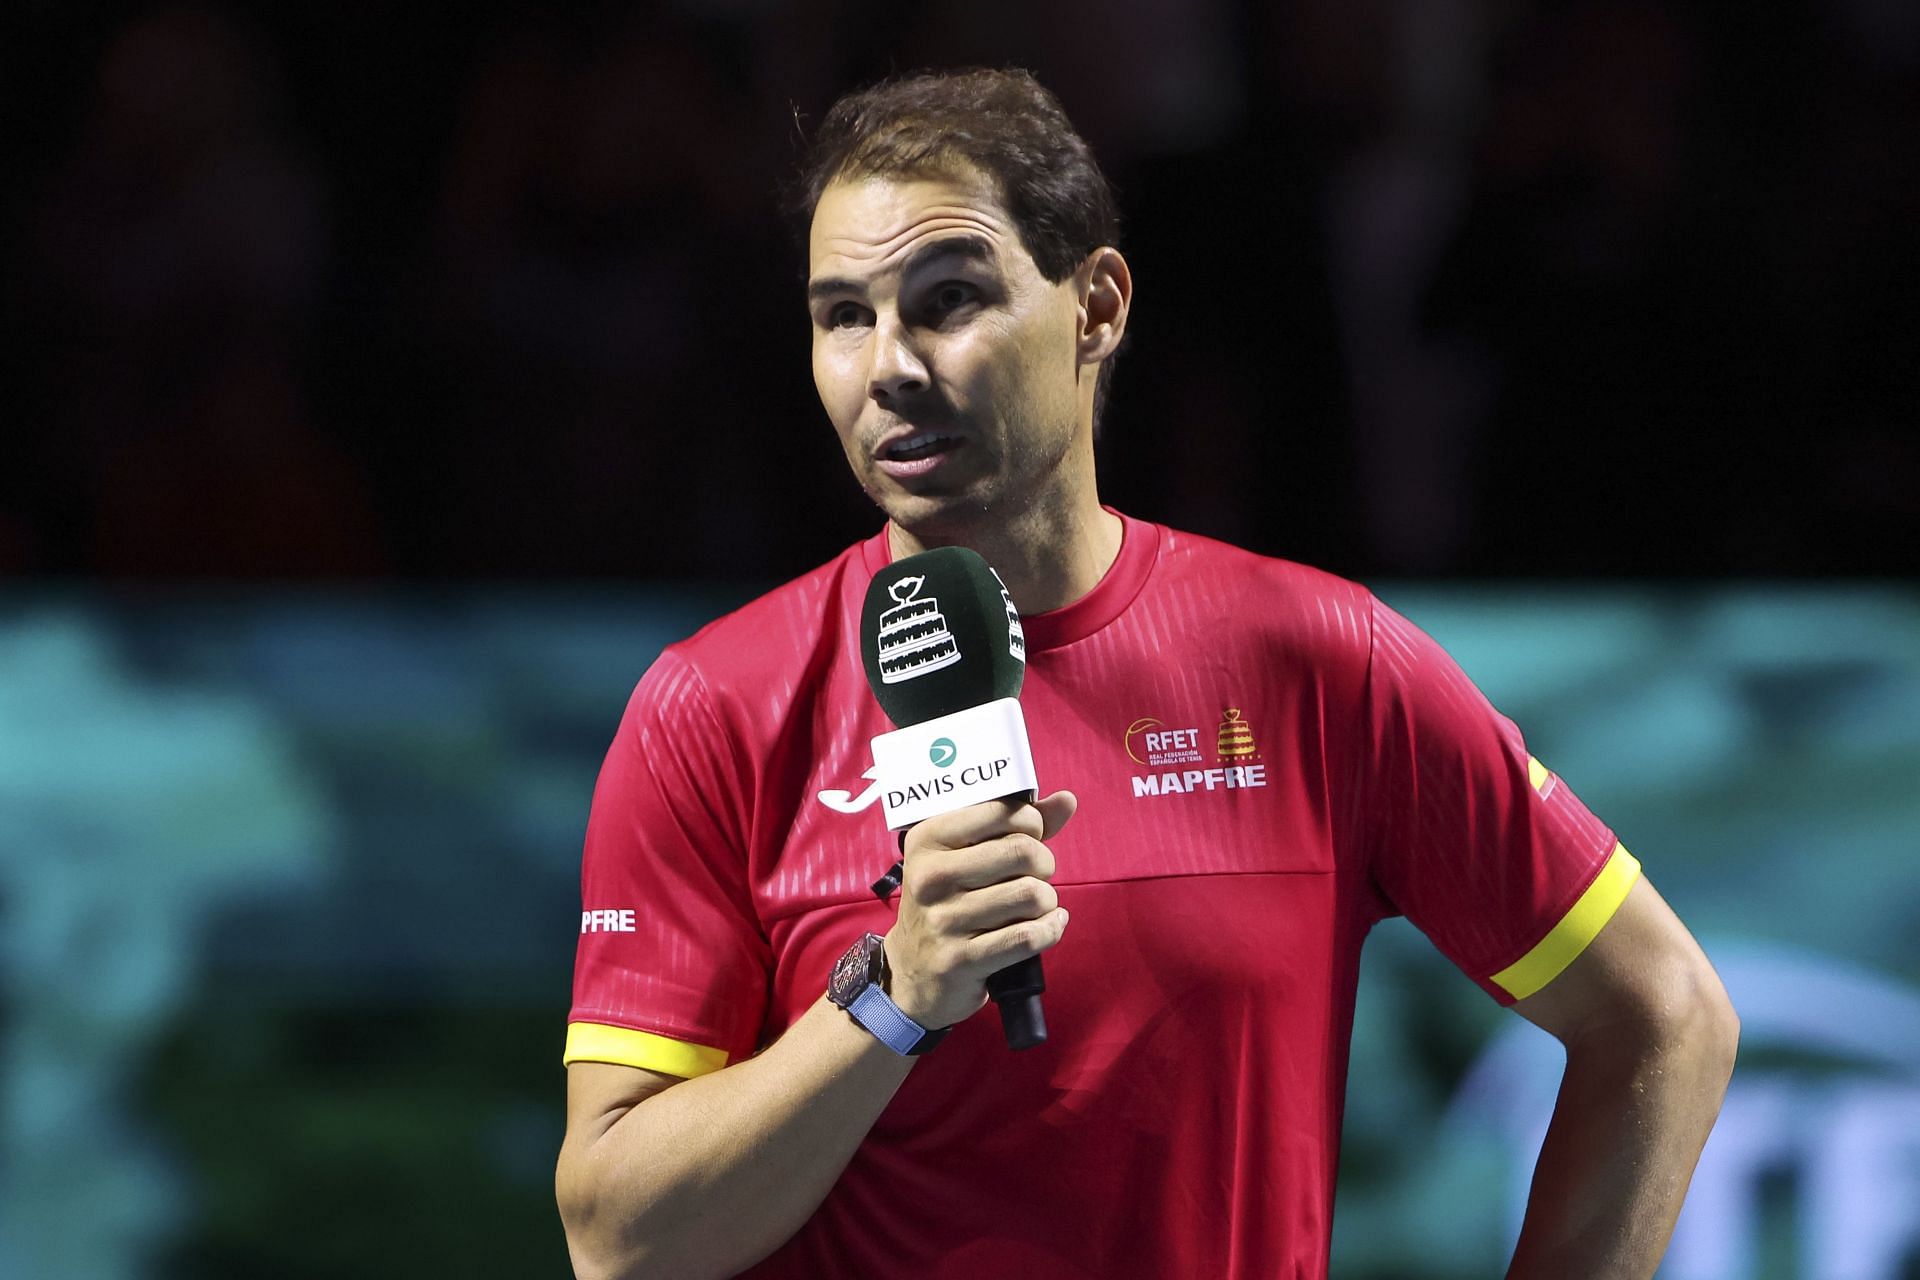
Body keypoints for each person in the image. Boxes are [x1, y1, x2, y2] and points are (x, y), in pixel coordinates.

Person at [554, 67, 1738, 1279]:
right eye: (842, 315)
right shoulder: (714, 709)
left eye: (947, 297)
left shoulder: (1318, 660)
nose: (889, 365)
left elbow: (1665, 1019)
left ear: (1097, 304)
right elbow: (617, 1239)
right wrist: (892, 995)